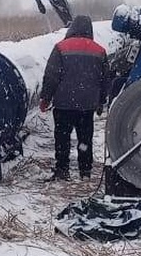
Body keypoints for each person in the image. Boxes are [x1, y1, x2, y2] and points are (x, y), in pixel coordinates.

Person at [39, 15, 108, 181]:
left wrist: (45, 98)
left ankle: (62, 169)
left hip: (63, 104)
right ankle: (85, 172)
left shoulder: (61, 48)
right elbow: (105, 80)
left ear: (72, 28)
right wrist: (101, 101)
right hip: (86, 105)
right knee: (85, 138)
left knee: (62, 138)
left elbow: (51, 76)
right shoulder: (99, 51)